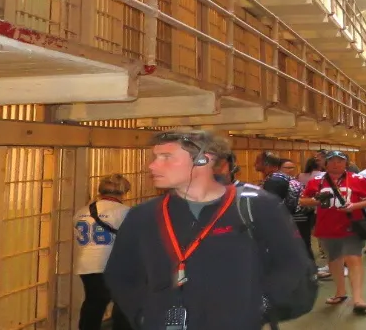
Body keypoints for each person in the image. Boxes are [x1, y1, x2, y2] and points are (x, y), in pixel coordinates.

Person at [104, 129, 314, 329]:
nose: (152, 166)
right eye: (155, 157)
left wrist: (258, 309)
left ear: (204, 159)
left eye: (166, 157)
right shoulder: (143, 216)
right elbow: (121, 274)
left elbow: (292, 265)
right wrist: (145, 315)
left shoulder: (257, 207)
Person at [300, 150, 366, 314]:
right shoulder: (317, 181)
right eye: (332, 161)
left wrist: (353, 206)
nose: (336, 164)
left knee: (353, 258)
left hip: (351, 226)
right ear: (325, 163)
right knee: (334, 260)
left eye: (340, 161)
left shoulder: (357, 179)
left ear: (346, 163)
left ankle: (358, 298)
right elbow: (303, 199)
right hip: (326, 227)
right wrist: (315, 200)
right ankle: (340, 292)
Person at [75, 174, 134, 330]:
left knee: (93, 304)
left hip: (86, 265)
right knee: (124, 303)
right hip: (113, 265)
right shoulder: (124, 212)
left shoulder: (82, 212)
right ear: (123, 192)